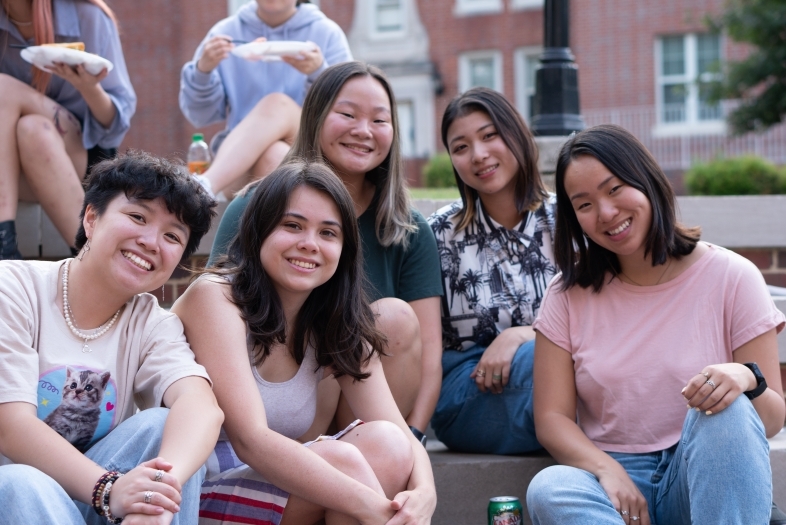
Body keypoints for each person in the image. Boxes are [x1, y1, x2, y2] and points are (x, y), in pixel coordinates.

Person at [526, 124, 785, 525]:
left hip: (703, 476)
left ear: (646, 180)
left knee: (727, 412)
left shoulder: (733, 276)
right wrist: (607, 471)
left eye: (614, 189)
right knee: (551, 487)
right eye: (584, 204)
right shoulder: (566, 293)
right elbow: (552, 418)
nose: (606, 213)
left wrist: (746, 378)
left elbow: (770, 420)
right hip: (617, 489)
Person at [172, 161, 437, 524]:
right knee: (342, 463)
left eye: (328, 233)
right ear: (259, 230)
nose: (309, 244)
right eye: (292, 226)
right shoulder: (216, 298)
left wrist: (425, 493)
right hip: (191, 494)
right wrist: (374, 509)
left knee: (387, 444)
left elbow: (401, 433)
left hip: (267, 487)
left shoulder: (333, 320)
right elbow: (251, 441)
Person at [208, 61, 443, 442]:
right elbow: (214, 319)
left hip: (364, 416)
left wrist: (413, 436)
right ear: (315, 118)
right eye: (347, 114)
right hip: (268, 410)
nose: (363, 130)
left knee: (393, 318)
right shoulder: (253, 208)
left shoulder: (408, 229)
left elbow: (429, 355)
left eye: (379, 120)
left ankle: (374, 458)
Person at [0, 152, 223, 524]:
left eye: (172, 236)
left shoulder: (151, 323)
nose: (151, 242)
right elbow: (11, 427)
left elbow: (202, 407)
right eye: (138, 217)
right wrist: (111, 489)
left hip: (99, 501)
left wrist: (155, 495)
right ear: (91, 218)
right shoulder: (13, 287)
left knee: (165, 426)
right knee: (21, 483)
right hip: (13, 497)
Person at [427, 87, 557, 454]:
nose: (479, 155)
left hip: (559, 375)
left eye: (489, 136)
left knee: (557, 365)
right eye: (461, 147)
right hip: (470, 390)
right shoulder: (439, 235)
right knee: (547, 363)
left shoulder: (568, 222)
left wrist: (518, 336)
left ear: (515, 134)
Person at [0, 0, 136, 259]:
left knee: (18, 109)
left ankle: (3, 245)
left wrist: (88, 87)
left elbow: (115, 126)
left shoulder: (88, 16)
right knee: (34, 129)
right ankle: (91, 260)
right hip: (11, 171)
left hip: (78, 160)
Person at [179, 0, 351, 199]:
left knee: (278, 103)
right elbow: (200, 116)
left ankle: (204, 186)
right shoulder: (225, 33)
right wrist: (203, 71)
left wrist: (318, 72)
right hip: (240, 166)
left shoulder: (327, 33)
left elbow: (347, 110)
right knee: (274, 154)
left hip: (310, 149)